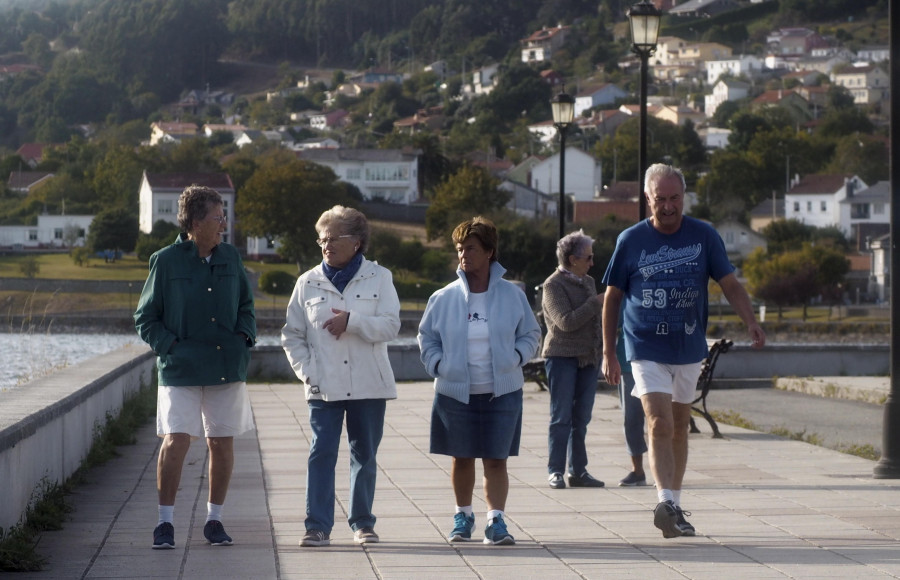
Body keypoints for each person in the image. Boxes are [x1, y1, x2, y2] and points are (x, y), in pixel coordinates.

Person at [601, 164, 765, 539]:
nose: (669, 206)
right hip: (643, 344)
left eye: (675, 198)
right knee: (658, 422)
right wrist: (610, 351)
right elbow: (612, 297)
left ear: (684, 198)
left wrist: (751, 322)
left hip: (688, 346)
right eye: (661, 199)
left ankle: (673, 501)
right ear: (648, 199)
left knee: (678, 428)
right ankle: (666, 502)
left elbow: (729, 284)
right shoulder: (630, 240)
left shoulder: (704, 236)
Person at [134, 185, 257, 550]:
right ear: (196, 221)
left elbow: (247, 307)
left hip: (225, 365)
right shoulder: (166, 260)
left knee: (221, 443)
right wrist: (170, 347)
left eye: (224, 216)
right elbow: (145, 317)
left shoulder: (231, 258)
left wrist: (244, 338)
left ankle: (214, 520)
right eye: (218, 217)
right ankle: (165, 523)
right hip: (180, 369)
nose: (224, 223)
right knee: (176, 440)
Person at [281, 205, 401, 548]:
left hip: (369, 383)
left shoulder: (380, 277)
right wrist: (308, 373)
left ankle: (363, 523)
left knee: (364, 455)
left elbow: (392, 326)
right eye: (322, 239)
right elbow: (292, 335)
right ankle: (317, 526)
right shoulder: (307, 282)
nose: (326, 245)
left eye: (334, 238)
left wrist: (354, 321)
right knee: (321, 454)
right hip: (324, 385)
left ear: (357, 242)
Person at [418, 216, 541, 546]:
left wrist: (516, 358)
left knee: (496, 459)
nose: (463, 254)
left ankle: (496, 522)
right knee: (461, 457)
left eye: (470, 248)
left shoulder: (512, 295)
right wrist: (438, 364)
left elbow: (531, 333)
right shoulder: (442, 297)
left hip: (502, 392)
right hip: (455, 393)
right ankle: (463, 515)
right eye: (459, 248)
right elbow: (426, 337)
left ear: (489, 252)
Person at [540, 229, 605, 490]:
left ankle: (578, 471)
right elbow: (565, 323)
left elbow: (594, 322)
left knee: (582, 418)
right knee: (561, 417)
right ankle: (555, 470)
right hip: (561, 357)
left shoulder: (587, 282)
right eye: (588, 258)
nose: (592, 263)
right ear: (572, 258)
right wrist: (594, 304)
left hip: (588, 359)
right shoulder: (552, 285)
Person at [616, 321, 648, 487]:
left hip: (657, 359)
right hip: (628, 361)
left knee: (659, 419)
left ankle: (666, 471)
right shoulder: (620, 295)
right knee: (631, 419)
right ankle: (637, 471)